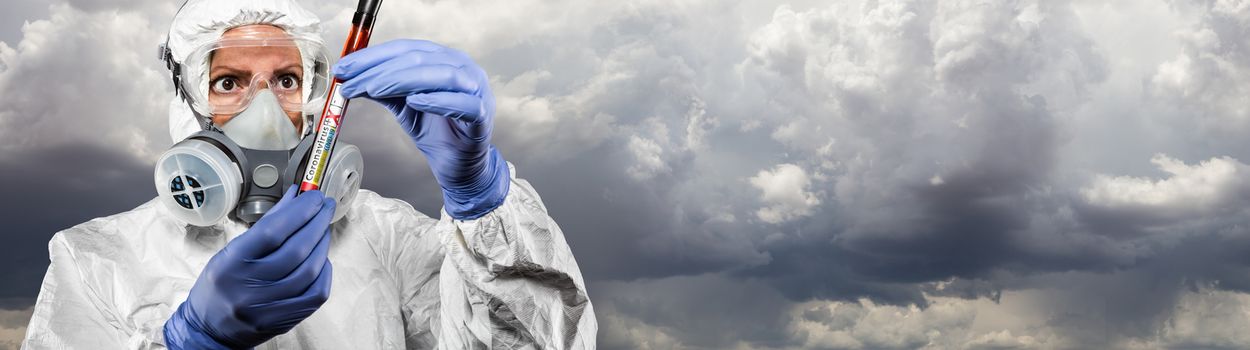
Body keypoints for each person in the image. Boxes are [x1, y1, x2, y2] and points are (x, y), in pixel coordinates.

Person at [20, 0, 596, 349]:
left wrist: (479, 197)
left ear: (316, 96)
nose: (264, 112)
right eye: (230, 82)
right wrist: (190, 342)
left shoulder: (387, 235)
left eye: (287, 81)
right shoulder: (95, 258)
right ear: (188, 102)